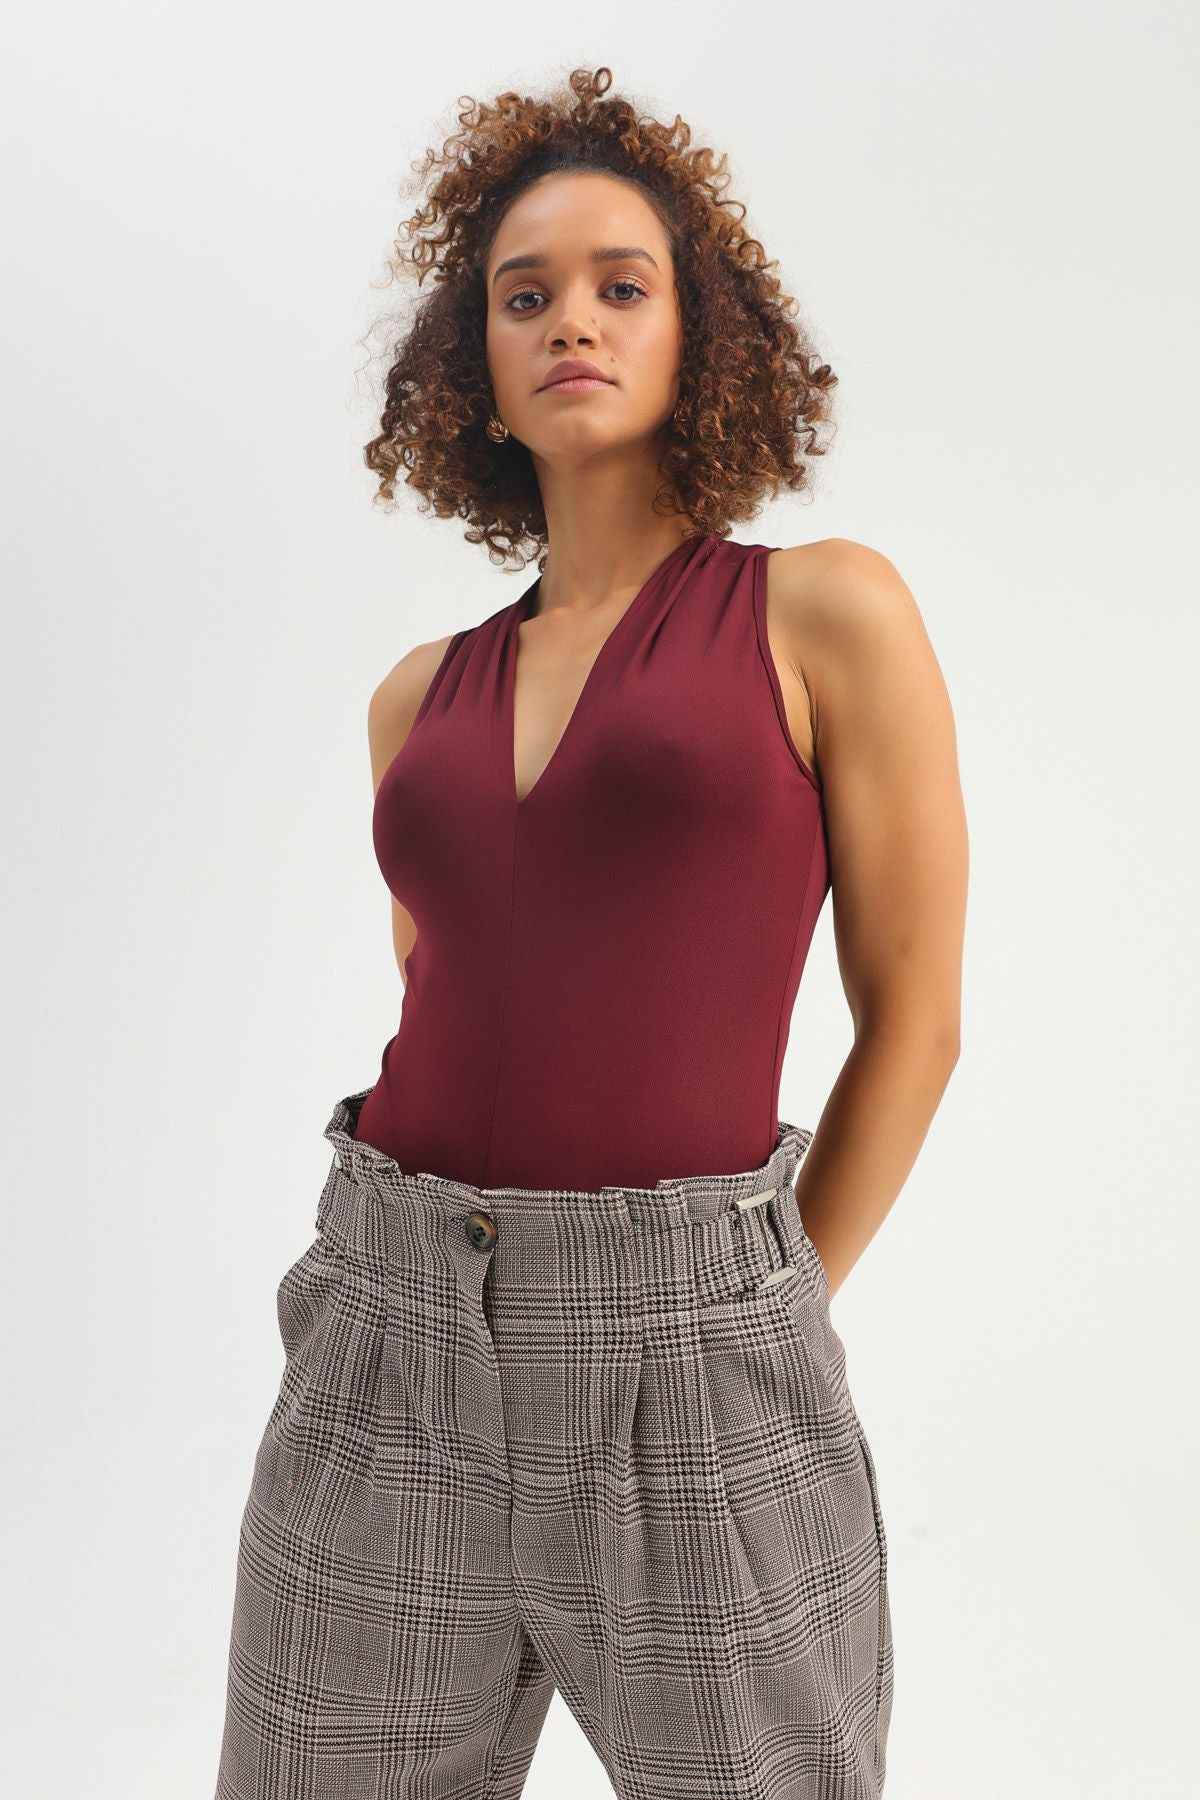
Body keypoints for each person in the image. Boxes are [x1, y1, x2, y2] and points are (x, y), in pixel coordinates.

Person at [213, 63, 967, 1800]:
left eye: (624, 285)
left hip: (698, 1361)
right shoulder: (418, 697)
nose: (572, 319)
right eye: (524, 294)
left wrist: (753, 1303)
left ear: (701, 333)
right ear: (470, 363)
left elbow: (917, 1015)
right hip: (389, 1340)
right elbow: (459, 987)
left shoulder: (823, 612)